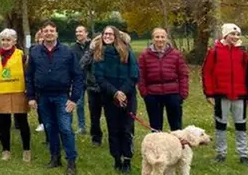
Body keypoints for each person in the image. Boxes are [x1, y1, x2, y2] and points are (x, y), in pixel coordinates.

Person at [26, 21, 83, 175]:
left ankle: (71, 161)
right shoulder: (35, 52)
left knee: (65, 128)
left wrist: (74, 99)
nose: (49, 33)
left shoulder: (67, 52)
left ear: (56, 33)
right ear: (42, 33)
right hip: (43, 97)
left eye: (52, 30)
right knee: (50, 128)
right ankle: (55, 157)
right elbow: (29, 76)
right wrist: (30, 97)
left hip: (62, 97)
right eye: (46, 31)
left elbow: (78, 76)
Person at [202, 23, 248, 165]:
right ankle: (220, 153)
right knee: (220, 125)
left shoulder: (242, 52)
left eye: (237, 35)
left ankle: (243, 154)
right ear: (225, 35)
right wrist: (209, 93)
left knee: (241, 125)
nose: (235, 37)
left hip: (239, 95)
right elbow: (207, 72)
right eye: (232, 34)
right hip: (221, 94)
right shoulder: (214, 51)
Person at [92, 26, 138, 173]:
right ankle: (117, 158)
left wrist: (123, 91)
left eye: (111, 34)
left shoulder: (127, 52)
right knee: (114, 129)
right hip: (109, 96)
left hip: (128, 96)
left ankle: (127, 159)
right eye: (105, 34)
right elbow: (99, 77)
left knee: (127, 128)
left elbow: (134, 75)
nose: (108, 36)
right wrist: (115, 93)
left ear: (116, 36)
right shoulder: (99, 54)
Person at [0, 28, 31, 162]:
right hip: (0, 95)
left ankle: (26, 150)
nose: (5, 43)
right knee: (2, 125)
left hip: (19, 94)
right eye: (3, 40)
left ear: (14, 41)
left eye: (8, 40)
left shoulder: (22, 56)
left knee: (22, 123)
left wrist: (31, 94)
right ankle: (6, 150)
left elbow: (28, 75)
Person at [138, 27, 189, 131]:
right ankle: (157, 146)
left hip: (173, 93)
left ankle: (177, 146)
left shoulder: (175, 54)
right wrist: (145, 93)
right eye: (157, 37)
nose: (160, 39)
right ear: (153, 39)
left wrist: (182, 94)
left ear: (166, 38)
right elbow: (140, 76)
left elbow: (183, 74)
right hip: (153, 94)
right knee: (156, 126)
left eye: (162, 37)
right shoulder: (145, 55)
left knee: (176, 125)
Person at [71, 25, 90, 136]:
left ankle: (94, 127)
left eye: (81, 31)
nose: (78, 33)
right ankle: (81, 126)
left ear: (86, 33)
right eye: (77, 31)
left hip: (92, 80)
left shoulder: (92, 46)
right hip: (79, 80)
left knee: (94, 106)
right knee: (79, 104)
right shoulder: (73, 48)